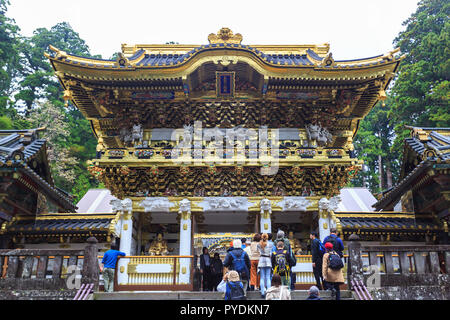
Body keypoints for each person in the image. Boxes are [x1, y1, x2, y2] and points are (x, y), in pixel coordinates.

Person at [257, 233, 274, 298]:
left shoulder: (259, 244)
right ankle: (268, 292)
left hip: (261, 260)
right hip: (268, 260)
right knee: (268, 277)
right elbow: (271, 253)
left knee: (262, 277)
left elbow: (258, 252)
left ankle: (262, 292)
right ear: (267, 237)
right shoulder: (271, 244)